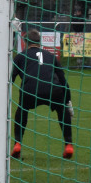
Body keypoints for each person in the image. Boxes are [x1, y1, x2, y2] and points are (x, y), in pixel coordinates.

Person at [10, 28, 74, 160]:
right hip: (53, 89)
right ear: (40, 42)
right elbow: (63, 80)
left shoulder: (20, 56)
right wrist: (68, 102)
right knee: (62, 110)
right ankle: (68, 144)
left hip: (30, 90)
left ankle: (17, 144)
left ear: (25, 42)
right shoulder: (51, 56)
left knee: (22, 109)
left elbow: (10, 79)